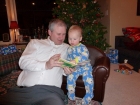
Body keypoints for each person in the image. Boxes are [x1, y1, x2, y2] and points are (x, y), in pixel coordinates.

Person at [0, 19, 75, 105]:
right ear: (49, 32)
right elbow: (23, 62)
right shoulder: (35, 43)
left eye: (64, 34)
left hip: (50, 93)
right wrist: (46, 65)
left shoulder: (68, 48)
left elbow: (70, 66)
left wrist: (69, 70)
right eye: (58, 34)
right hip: (25, 91)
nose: (61, 37)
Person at [67, 25, 94, 105]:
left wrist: (75, 60)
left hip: (85, 67)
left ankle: (89, 95)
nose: (72, 41)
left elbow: (85, 56)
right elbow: (69, 59)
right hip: (75, 68)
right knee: (70, 78)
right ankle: (71, 95)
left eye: (74, 39)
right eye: (70, 38)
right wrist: (68, 64)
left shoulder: (83, 47)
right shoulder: (69, 49)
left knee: (89, 80)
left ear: (80, 38)